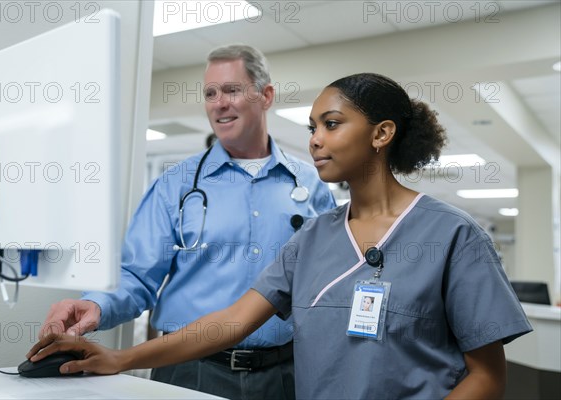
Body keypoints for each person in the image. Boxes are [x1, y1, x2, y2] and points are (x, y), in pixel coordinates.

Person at [28, 73, 532, 399]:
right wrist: (122, 358)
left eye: (332, 124)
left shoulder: (453, 236)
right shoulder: (311, 239)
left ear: (381, 134)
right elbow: (229, 322)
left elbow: (487, 376)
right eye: (313, 126)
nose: (314, 139)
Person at [37, 44, 335, 400]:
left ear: (266, 95)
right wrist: (96, 306)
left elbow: (328, 281)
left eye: (232, 90)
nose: (219, 103)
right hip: (189, 371)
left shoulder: (310, 184)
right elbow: (136, 276)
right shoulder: (174, 185)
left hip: (283, 375)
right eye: (210, 93)